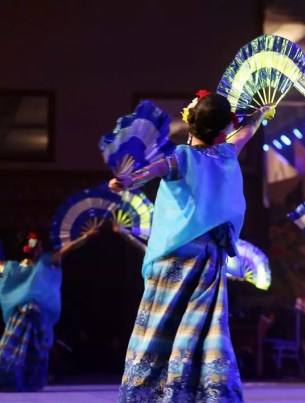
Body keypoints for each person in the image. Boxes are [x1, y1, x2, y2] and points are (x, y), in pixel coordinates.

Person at [111, 91, 273, 402]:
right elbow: (247, 131)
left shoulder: (182, 157)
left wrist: (129, 180)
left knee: (158, 326)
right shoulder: (227, 153)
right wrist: (260, 113)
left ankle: (143, 392)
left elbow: (156, 169)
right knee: (202, 328)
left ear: (191, 123)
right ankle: (201, 392)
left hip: (173, 255)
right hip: (206, 255)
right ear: (225, 128)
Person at [0, 227, 98, 391]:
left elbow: (65, 250)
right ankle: (9, 379)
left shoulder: (35, 265)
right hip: (23, 316)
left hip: (35, 316)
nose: (42, 249)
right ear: (33, 248)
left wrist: (86, 236)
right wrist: (85, 236)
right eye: (39, 246)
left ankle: (27, 381)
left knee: (35, 349)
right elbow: (65, 250)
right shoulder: (15, 267)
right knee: (17, 349)